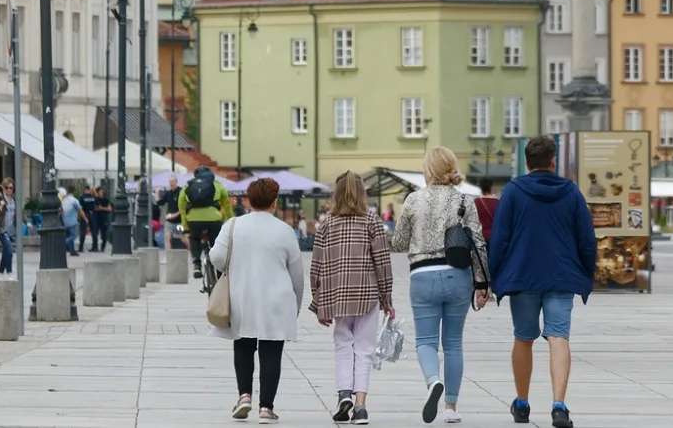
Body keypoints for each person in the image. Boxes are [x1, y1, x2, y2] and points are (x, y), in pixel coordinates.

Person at [488, 136, 595, 428]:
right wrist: (587, 272)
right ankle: (559, 406)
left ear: (526, 162)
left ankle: (522, 404)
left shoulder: (513, 192)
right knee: (558, 337)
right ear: (553, 161)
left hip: (522, 276)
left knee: (524, 338)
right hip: (561, 276)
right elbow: (587, 238)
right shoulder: (571, 192)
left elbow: (500, 238)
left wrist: (492, 276)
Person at [390, 147, 490, 425]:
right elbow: (478, 244)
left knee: (425, 341)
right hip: (458, 275)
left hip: (422, 276)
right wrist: (483, 285)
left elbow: (397, 243)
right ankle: (451, 408)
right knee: (454, 343)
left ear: (428, 170)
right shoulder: (464, 200)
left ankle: (433, 381)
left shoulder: (413, 199)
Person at [209, 177, 305, 424]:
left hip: (242, 295)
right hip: (276, 299)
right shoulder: (284, 230)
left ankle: (244, 396)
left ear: (248, 201)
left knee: (243, 346)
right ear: (275, 202)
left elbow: (217, 257)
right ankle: (266, 408)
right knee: (271, 352)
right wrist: (295, 305)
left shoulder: (232, 225)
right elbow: (296, 273)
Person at [309, 171, 395, 425]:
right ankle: (360, 406)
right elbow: (382, 261)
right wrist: (386, 297)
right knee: (365, 350)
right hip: (367, 294)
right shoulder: (371, 221)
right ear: (361, 193)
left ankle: (343, 392)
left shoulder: (326, 223)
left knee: (343, 346)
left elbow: (316, 265)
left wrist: (318, 301)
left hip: (337, 296)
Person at [178, 165, 233, 278]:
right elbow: (227, 204)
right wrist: (230, 220)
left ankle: (197, 265)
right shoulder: (217, 184)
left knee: (194, 238)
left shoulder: (188, 184)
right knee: (217, 242)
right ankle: (219, 271)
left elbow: (181, 205)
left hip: (193, 219)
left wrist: (185, 224)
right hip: (214, 219)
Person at [0, 178, 17, 276]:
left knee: (6, 251)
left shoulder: (14, 200)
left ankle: (1, 272)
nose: (9, 190)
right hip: (1, 229)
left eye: (11, 188)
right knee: (9, 249)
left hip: (12, 230)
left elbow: (19, 214)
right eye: (7, 188)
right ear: (3, 188)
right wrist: (1, 207)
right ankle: (9, 272)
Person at [60, 187, 82, 257]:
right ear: (74, 191)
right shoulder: (74, 200)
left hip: (65, 222)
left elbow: (62, 211)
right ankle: (63, 244)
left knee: (69, 236)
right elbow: (79, 210)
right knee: (73, 236)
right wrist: (85, 218)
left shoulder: (63, 200)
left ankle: (72, 251)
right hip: (72, 222)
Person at [91, 186, 112, 252]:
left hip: (104, 218)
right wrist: (101, 208)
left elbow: (109, 209)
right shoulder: (94, 200)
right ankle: (95, 247)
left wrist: (101, 208)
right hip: (96, 218)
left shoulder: (105, 199)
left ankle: (102, 247)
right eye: (101, 191)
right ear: (97, 192)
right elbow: (94, 208)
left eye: (103, 191)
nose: (102, 192)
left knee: (104, 235)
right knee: (94, 233)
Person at [79, 187, 97, 252]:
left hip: (85, 214)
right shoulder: (93, 198)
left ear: (84, 190)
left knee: (83, 232)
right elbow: (97, 206)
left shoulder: (82, 198)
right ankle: (95, 247)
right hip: (92, 214)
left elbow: (80, 208)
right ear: (89, 190)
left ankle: (81, 247)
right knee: (94, 231)